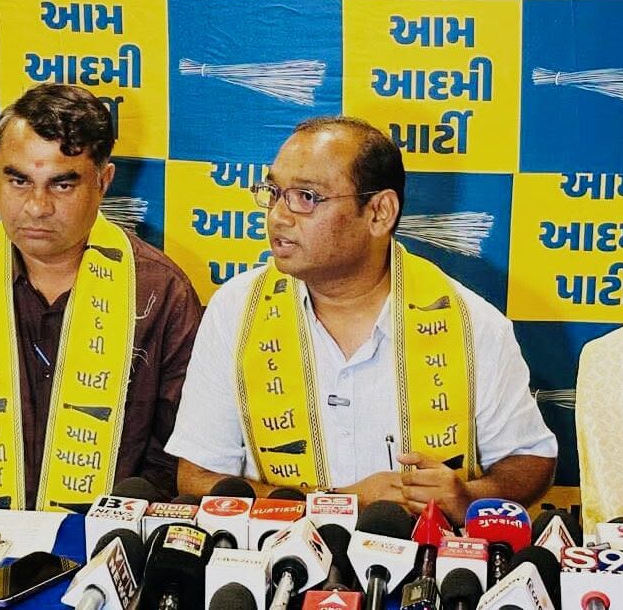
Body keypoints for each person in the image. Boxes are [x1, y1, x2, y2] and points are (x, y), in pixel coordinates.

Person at [166, 117, 556, 523]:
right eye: (274, 193)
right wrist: (340, 504)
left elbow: (529, 460)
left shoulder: (471, 323)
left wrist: (468, 497)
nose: (278, 216)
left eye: (305, 197)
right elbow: (197, 478)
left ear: (379, 213)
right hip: (276, 556)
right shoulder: (237, 312)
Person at [0, 84, 201, 510]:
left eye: (61, 185)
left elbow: (177, 466)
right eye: (18, 181)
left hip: (103, 541)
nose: (36, 207)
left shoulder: (160, 293)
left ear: (103, 181)